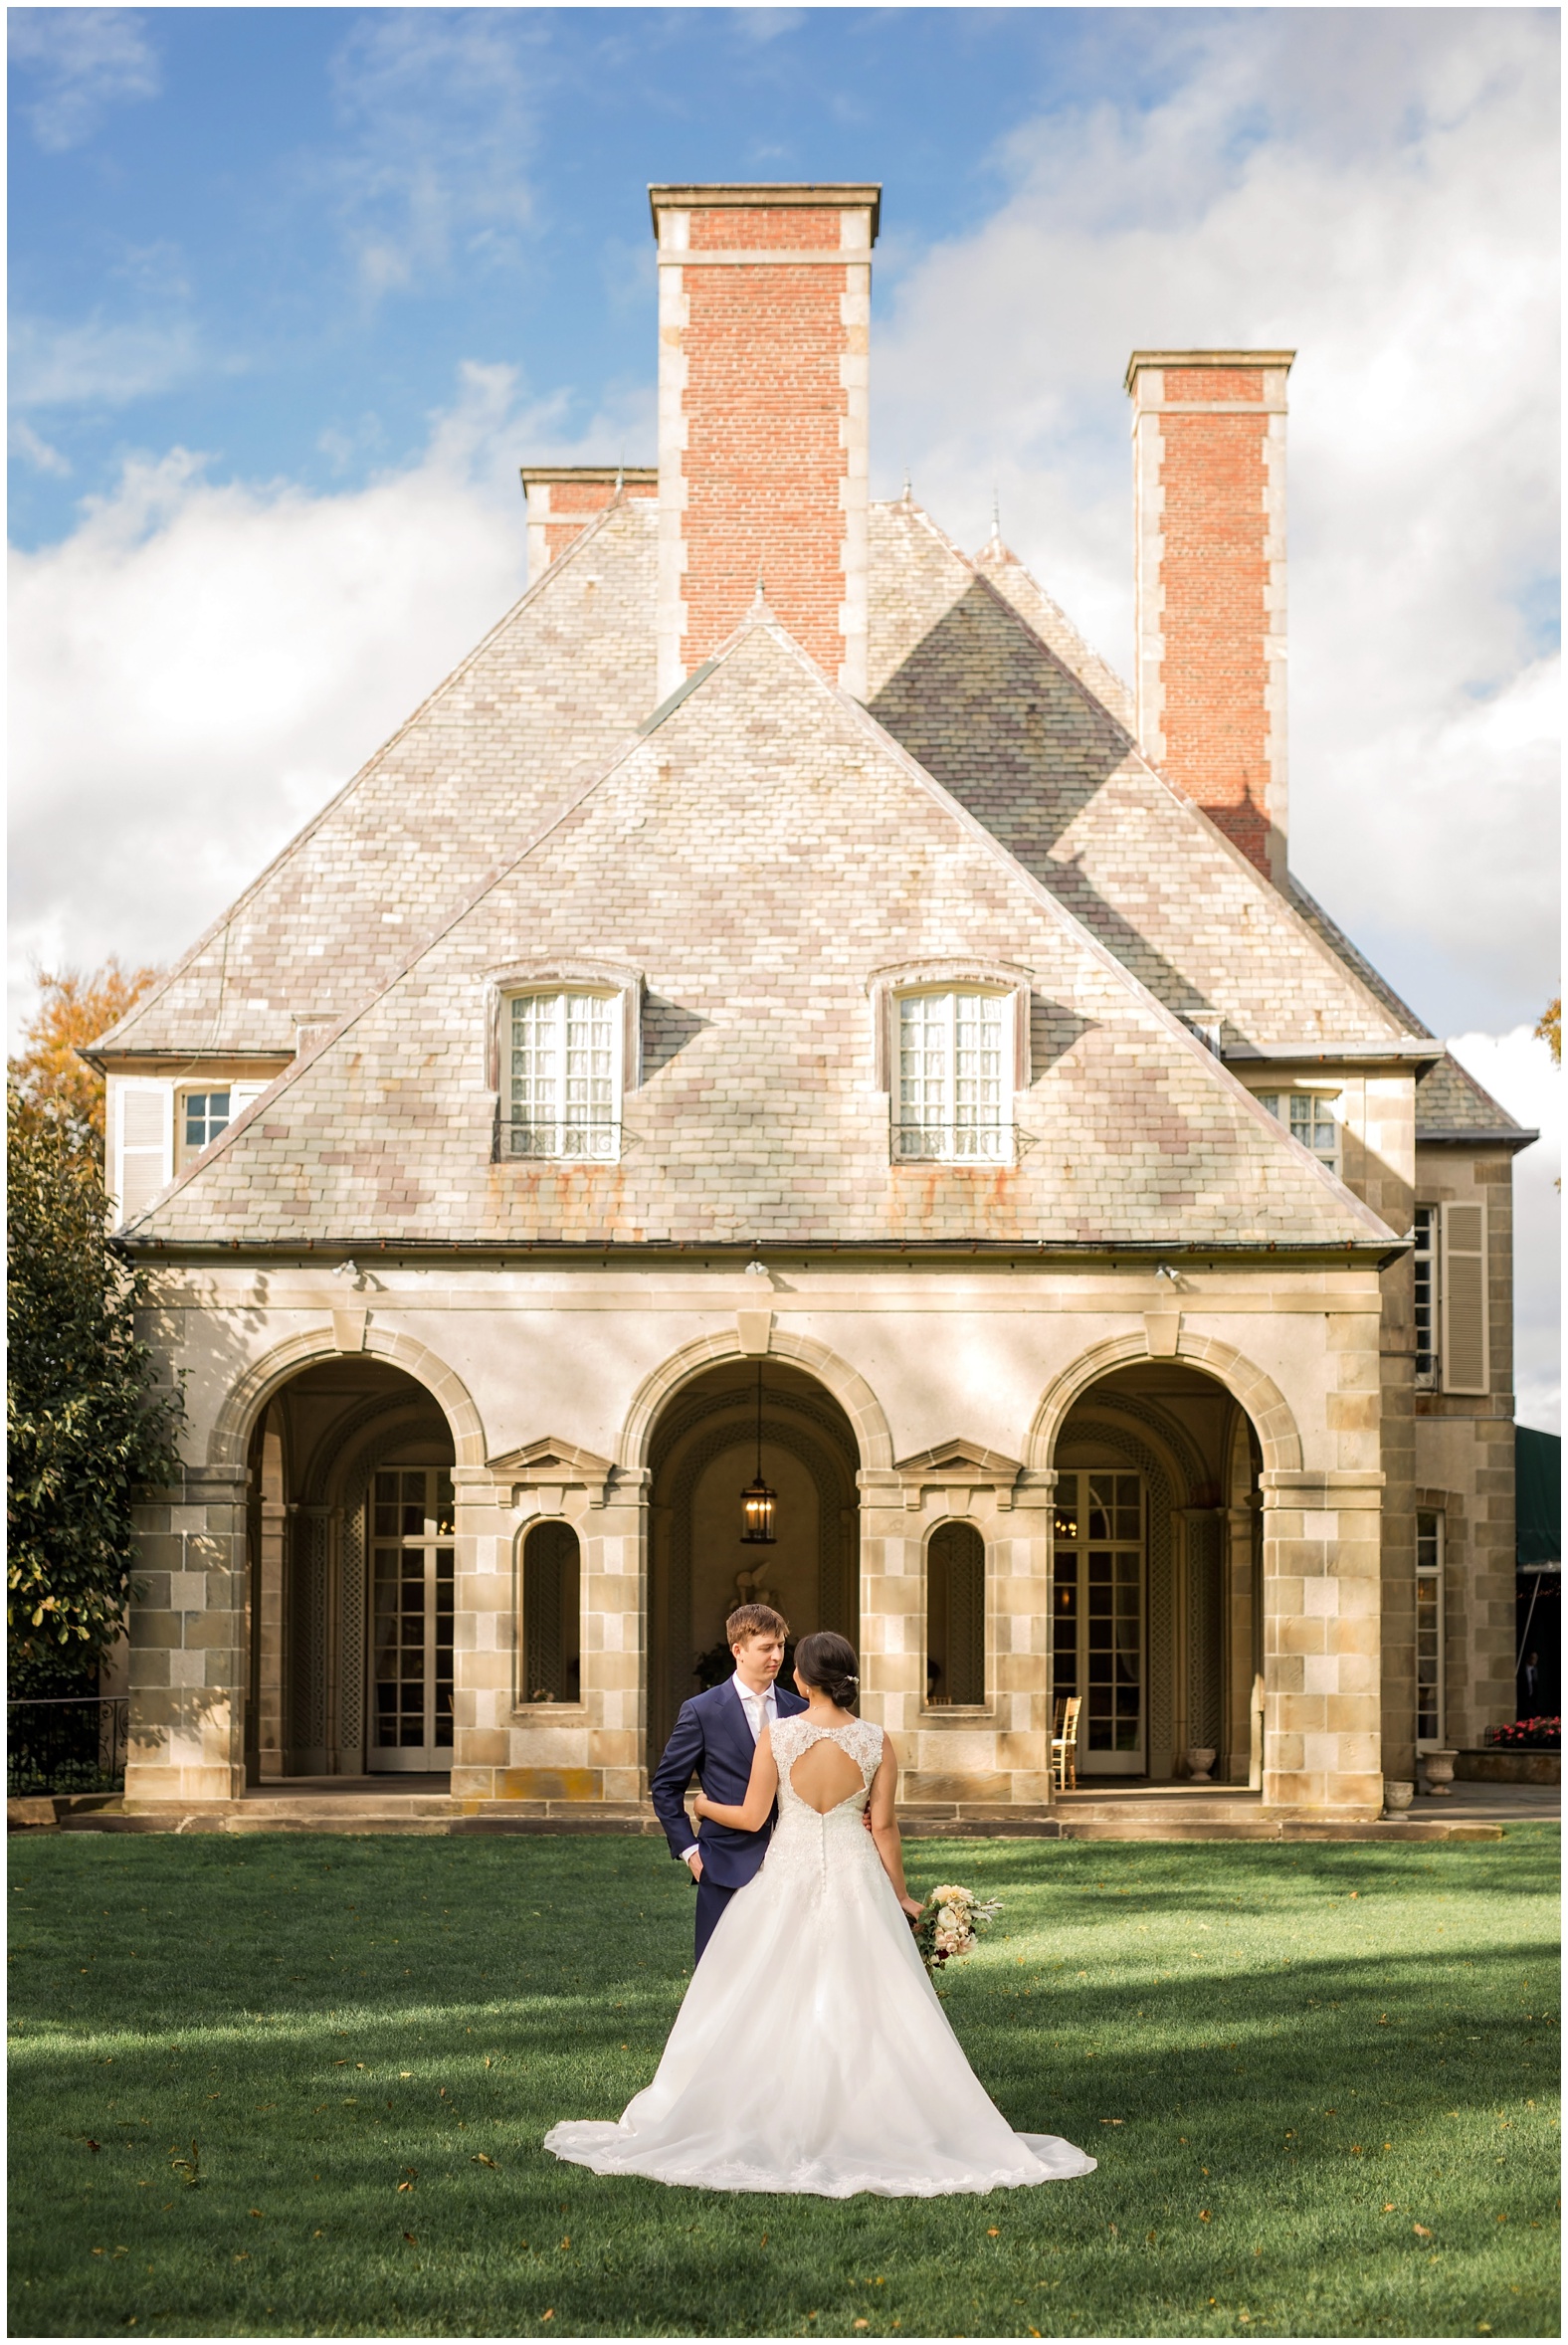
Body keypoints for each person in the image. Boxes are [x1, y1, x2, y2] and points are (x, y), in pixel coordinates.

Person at [546, 1630, 1095, 2198]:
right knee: (876, 2000)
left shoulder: (778, 1735)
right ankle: (881, 2116)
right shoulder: (878, 1741)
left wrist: (705, 1805)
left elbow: (754, 1815)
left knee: (762, 1993)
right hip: (860, 1882)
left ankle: (765, 2110)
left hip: (786, 1877)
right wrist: (904, 1897)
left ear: (802, 1681)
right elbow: (882, 1828)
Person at [649, 1602, 809, 1962]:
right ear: (738, 1650)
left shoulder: (798, 1709)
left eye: (781, 1646)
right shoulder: (702, 1710)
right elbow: (666, 1787)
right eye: (766, 1647)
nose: (777, 1656)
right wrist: (690, 1852)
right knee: (719, 1973)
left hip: (793, 1859)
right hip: (722, 1861)